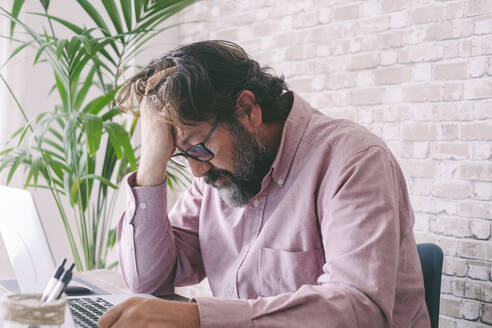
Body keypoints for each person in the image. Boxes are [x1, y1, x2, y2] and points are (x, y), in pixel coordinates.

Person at [98, 40, 431, 328]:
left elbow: (360, 310)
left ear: (246, 109)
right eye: (183, 154)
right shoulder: (217, 177)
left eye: (198, 148)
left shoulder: (354, 160)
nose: (197, 172)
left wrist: (195, 319)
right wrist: (152, 163)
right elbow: (148, 280)